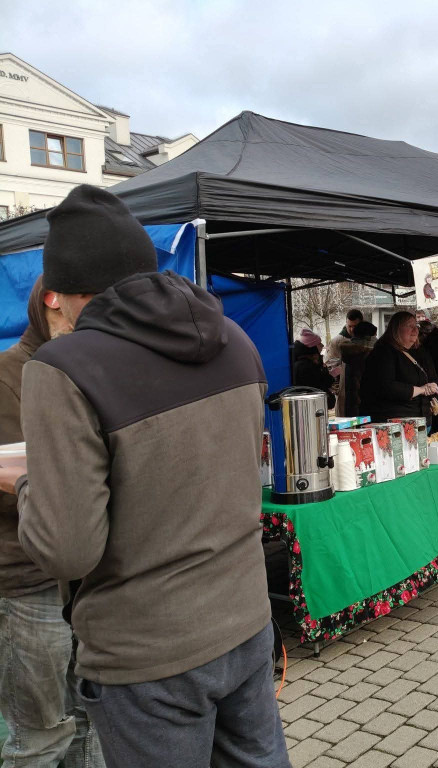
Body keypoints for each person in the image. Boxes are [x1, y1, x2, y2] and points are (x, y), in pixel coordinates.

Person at [0, 185, 289, 768]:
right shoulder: (233, 337)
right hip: (244, 619)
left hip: (149, 652)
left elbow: (68, 549)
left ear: (64, 290)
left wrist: (26, 484)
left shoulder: (61, 367)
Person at [0, 277, 105, 767]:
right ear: (52, 300)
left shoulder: (82, 369)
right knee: (40, 738)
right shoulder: (8, 376)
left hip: (82, 580)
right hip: (27, 585)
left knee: (89, 720)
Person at [360, 311, 438, 425]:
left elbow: (434, 377)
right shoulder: (383, 352)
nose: (415, 330)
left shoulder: (420, 351)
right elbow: (385, 386)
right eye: (410, 326)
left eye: (416, 326)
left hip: (422, 420)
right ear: (396, 329)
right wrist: (421, 390)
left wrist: (434, 386)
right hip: (392, 422)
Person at [292, 330, 336, 410]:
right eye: (319, 343)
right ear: (312, 347)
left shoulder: (302, 364)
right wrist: (330, 374)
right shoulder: (307, 367)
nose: (322, 345)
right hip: (312, 410)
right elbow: (320, 385)